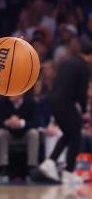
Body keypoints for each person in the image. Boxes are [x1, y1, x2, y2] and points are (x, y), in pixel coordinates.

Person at [37, 37, 91, 184]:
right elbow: (81, 91)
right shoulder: (84, 66)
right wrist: (85, 109)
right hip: (65, 103)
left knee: (69, 134)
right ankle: (69, 172)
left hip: (53, 101)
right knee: (76, 135)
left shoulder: (68, 62)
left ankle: (50, 162)